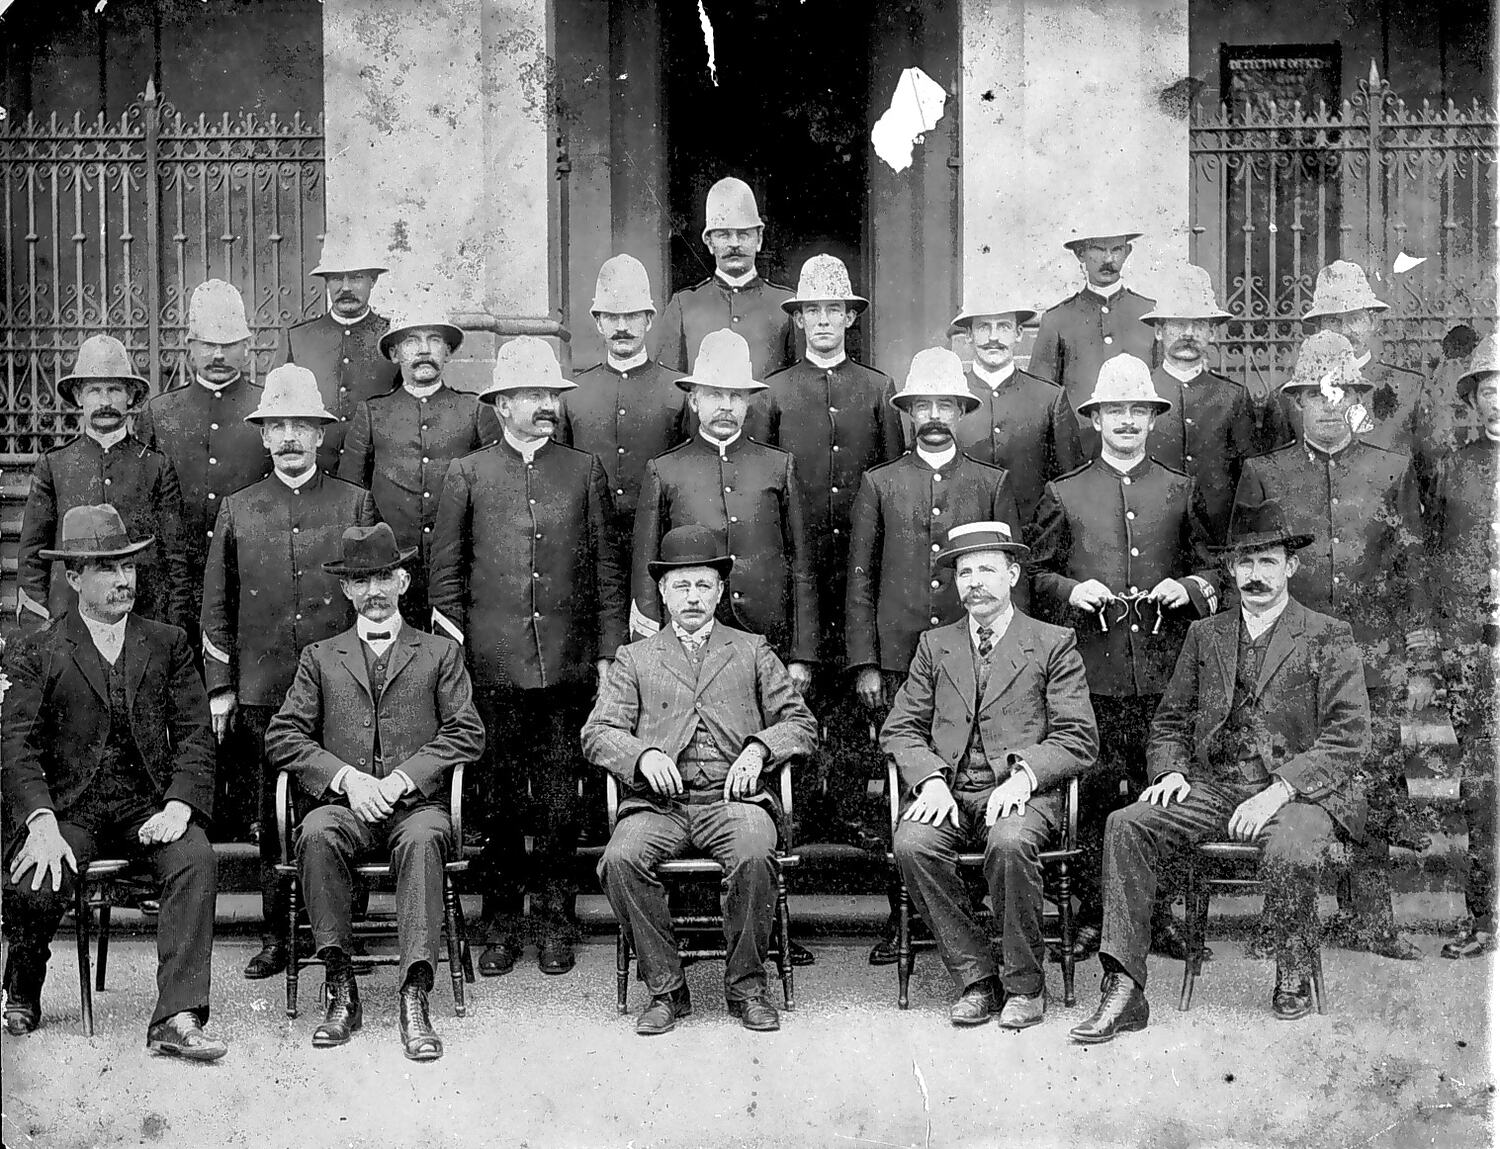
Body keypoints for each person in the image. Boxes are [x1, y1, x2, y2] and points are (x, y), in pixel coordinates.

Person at [1071, 499, 1370, 1042]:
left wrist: (1279, 790)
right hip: (1215, 784)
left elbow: (1348, 736)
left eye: (1268, 561)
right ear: (1230, 569)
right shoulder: (1206, 634)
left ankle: (1292, 966)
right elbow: (1171, 720)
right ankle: (1123, 987)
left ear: (1291, 566)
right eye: (1245, 563)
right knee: (1127, 823)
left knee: (1293, 843)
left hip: (1298, 793)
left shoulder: (1328, 634)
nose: (1256, 575)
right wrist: (1169, 772)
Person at [428, 336, 628, 977]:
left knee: (562, 802)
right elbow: (446, 577)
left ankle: (555, 922)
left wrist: (607, 654)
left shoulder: (583, 469)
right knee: (501, 801)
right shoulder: (468, 473)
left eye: (551, 395)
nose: (546, 405)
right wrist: (455, 661)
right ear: (502, 405)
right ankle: (501, 925)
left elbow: (606, 569)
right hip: (491, 670)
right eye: (532, 395)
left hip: (568, 668)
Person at [1, 505, 225, 1059]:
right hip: (70, 812)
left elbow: (196, 736)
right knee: (34, 876)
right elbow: (15, 745)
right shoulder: (38, 648)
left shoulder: (167, 642)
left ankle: (177, 1016)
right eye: (107, 568)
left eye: (128, 566)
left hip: (146, 809)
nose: (124, 579)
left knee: (195, 858)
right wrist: (41, 822)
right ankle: (22, 983)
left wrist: (179, 805)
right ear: (74, 577)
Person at [1232, 331, 1427, 961]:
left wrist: (1417, 659)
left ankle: (1371, 918)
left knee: (1374, 783)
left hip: (1372, 655)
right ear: (1297, 402)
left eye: (1339, 393)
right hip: (1290, 656)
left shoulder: (1391, 469)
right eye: (1315, 395)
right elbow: (1247, 566)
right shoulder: (1264, 473)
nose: (1327, 406)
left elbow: (1413, 569)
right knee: (1284, 774)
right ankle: (1280, 919)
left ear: (1359, 399)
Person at [585, 525, 818, 1035]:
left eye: (704, 586)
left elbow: (801, 724)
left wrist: (759, 748)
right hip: (659, 807)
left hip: (732, 803)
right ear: (663, 592)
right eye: (682, 586)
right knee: (620, 860)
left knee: (755, 853)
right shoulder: (635, 658)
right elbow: (598, 733)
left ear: (720, 591)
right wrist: (643, 755)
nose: (693, 597)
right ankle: (666, 988)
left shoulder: (752, 650)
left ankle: (747, 986)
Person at [265, 524, 486, 1061]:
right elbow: (282, 735)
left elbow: (467, 731)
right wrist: (348, 779)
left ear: (404, 581)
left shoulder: (440, 653)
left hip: (417, 807)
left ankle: (415, 993)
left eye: (384, 577)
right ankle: (340, 985)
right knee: (315, 832)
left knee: (423, 840)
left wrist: (403, 778)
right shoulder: (321, 657)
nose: (374, 591)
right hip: (346, 806)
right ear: (346, 590)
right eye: (362, 581)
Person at [1029, 353, 1220, 960]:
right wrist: (1070, 590)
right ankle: (1091, 914)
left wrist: (1188, 589)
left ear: (1154, 419)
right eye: (1116, 411)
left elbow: (1216, 571)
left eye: (1139, 410)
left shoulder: (1180, 489)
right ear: (1096, 419)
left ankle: (1158, 915)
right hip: (1089, 673)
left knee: (1160, 792)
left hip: (1165, 674)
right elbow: (1032, 577)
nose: (1128, 421)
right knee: (1091, 797)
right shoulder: (1065, 492)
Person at [844, 346, 1027, 963]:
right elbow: (861, 577)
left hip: (972, 654)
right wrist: (867, 662)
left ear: (962, 412)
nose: (934, 417)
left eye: (945, 405)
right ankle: (901, 918)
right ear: (908, 413)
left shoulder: (990, 482)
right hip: (900, 657)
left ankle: (974, 913)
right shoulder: (880, 482)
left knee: (973, 771)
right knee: (902, 783)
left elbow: (1010, 579)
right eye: (923, 406)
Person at [200, 364, 378, 980]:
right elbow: (216, 604)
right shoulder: (239, 508)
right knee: (271, 814)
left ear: (322, 434)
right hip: (264, 689)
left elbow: (372, 593)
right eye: (278, 427)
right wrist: (221, 686)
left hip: (342, 687)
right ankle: (279, 936)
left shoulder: (353, 502)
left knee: (343, 804)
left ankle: (345, 936)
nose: (290, 438)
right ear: (263, 435)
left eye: (302, 426)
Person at [884, 521, 1097, 1028]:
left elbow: (1078, 736)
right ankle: (978, 977)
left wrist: (1024, 778)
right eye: (965, 573)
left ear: (1013, 575)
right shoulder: (935, 645)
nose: (974, 583)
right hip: (952, 791)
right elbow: (900, 728)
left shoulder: (1052, 642)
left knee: (1010, 843)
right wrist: (931, 780)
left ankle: (1024, 985)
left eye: (986, 570)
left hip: (1022, 793)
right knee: (912, 844)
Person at [761, 254, 903, 843]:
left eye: (834, 310)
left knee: (853, 686)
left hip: (859, 568)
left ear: (850, 318)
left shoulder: (877, 388)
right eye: (812, 310)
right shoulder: (774, 391)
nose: (823, 320)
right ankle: (791, 811)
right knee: (793, 686)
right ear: (797, 320)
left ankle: (847, 809)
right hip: (796, 568)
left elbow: (892, 478)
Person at [632, 329, 818, 677]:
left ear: (749, 403)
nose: (726, 406)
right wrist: (649, 649)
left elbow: (801, 566)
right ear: (693, 401)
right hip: (688, 641)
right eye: (714, 394)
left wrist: (801, 655)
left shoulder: (779, 466)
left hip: (768, 637)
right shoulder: (665, 470)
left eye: (736, 396)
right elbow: (646, 569)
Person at [17, 335, 191, 632]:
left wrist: (170, 633)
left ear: (131, 396)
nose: (105, 402)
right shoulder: (54, 464)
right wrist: (39, 631)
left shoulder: (156, 466)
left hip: (142, 622)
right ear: (78, 397)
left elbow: (176, 561)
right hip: (69, 625)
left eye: (114, 390)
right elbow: (32, 557)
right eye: (94, 391)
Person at [338, 304, 499, 623]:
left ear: (448, 352)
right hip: (390, 572)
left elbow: (494, 495)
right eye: (411, 341)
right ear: (395, 353)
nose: (424, 350)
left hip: (461, 571)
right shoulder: (372, 413)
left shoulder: (474, 410)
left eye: (434, 340)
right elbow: (351, 496)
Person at [1083, 263, 1264, 540]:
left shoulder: (1232, 397)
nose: (1188, 333)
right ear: (1159, 330)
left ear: (1212, 333)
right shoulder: (1138, 394)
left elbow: (1247, 478)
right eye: (1179, 324)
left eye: (1199, 325)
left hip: (1217, 537)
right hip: (1152, 536)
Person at [134, 279, 271, 634]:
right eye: (208, 344)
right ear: (190, 349)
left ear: (247, 348)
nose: (218, 355)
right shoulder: (160, 413)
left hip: (250, 581)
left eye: (229, 345)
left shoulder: (268, 407)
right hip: (176, 590)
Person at [1426, 336, 1500, 959]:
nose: (1499, 400)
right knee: (1482, 780)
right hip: (1475, 648)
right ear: (1474, 400)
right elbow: (1435, 556)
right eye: (1490, 389)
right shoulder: (1453, 467)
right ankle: (1484, 917)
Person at [558, 254, 688, 554]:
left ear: (649, 320)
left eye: (631, 316)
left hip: (660, 544)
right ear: (598, 322)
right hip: (592, 547)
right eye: (611, 317)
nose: (622, 327)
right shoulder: (573, 394)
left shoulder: (678, 391)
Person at [1271, 260, 1428, 454]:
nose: (1345, 330)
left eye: (1355, 319)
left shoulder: (1409, 388)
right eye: (1333, 321)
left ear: (1373, 322)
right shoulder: (1288, 399)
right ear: (1318, 327)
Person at [273, 236, 400, 473]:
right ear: (326, 282)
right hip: (314, 473)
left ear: (373, 280)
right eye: (336, 278)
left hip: (378, 474)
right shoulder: (297, 338)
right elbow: (275, 409)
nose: (346, 287)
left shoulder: (392, 337)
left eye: (356, 277)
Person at [650, 177, 796, 380]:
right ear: (709, 242)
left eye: (743, 234)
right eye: (724, 235)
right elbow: (668, 388)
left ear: (759, 239)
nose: (734, 243)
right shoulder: (683, 306)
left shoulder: (786, 307)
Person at [947, 300, 1079, 524]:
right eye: (983, 327)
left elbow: (1067, 484)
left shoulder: (1049, 398)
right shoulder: (949, 398)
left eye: (1004, 327)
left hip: (1031, 540)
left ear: (1018, 333)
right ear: (968, 335)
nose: (993, 338)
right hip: (963, 538)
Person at [1028, 227, 1157, 423]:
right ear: (1080, 253)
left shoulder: (1149, 314)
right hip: (1078, 438)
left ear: (1127, 252)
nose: (1108, 259)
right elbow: (1040, 398)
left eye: (1116, 249)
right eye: (1098, 249)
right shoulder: (1057, 319)